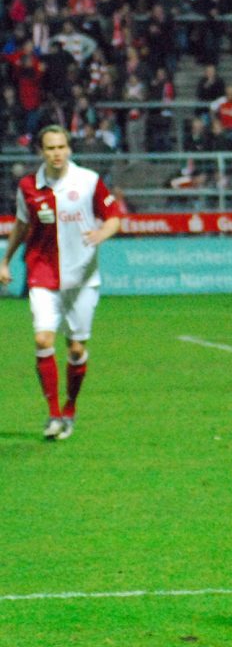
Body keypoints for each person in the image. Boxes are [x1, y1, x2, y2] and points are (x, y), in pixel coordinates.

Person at [0, 125, 123, 439]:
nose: (56, 153)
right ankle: (53, 414)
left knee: (76, 349)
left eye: (60, 147)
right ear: (41, 152)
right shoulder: (28, 186)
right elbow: (22, 225)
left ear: (69, 149)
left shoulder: (88, 181)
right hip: (42, 273)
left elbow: (113, 217)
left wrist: (101, 233)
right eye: (50, 148)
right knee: (43, 341)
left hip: (82, 277)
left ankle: (70, 408)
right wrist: (5, 260)